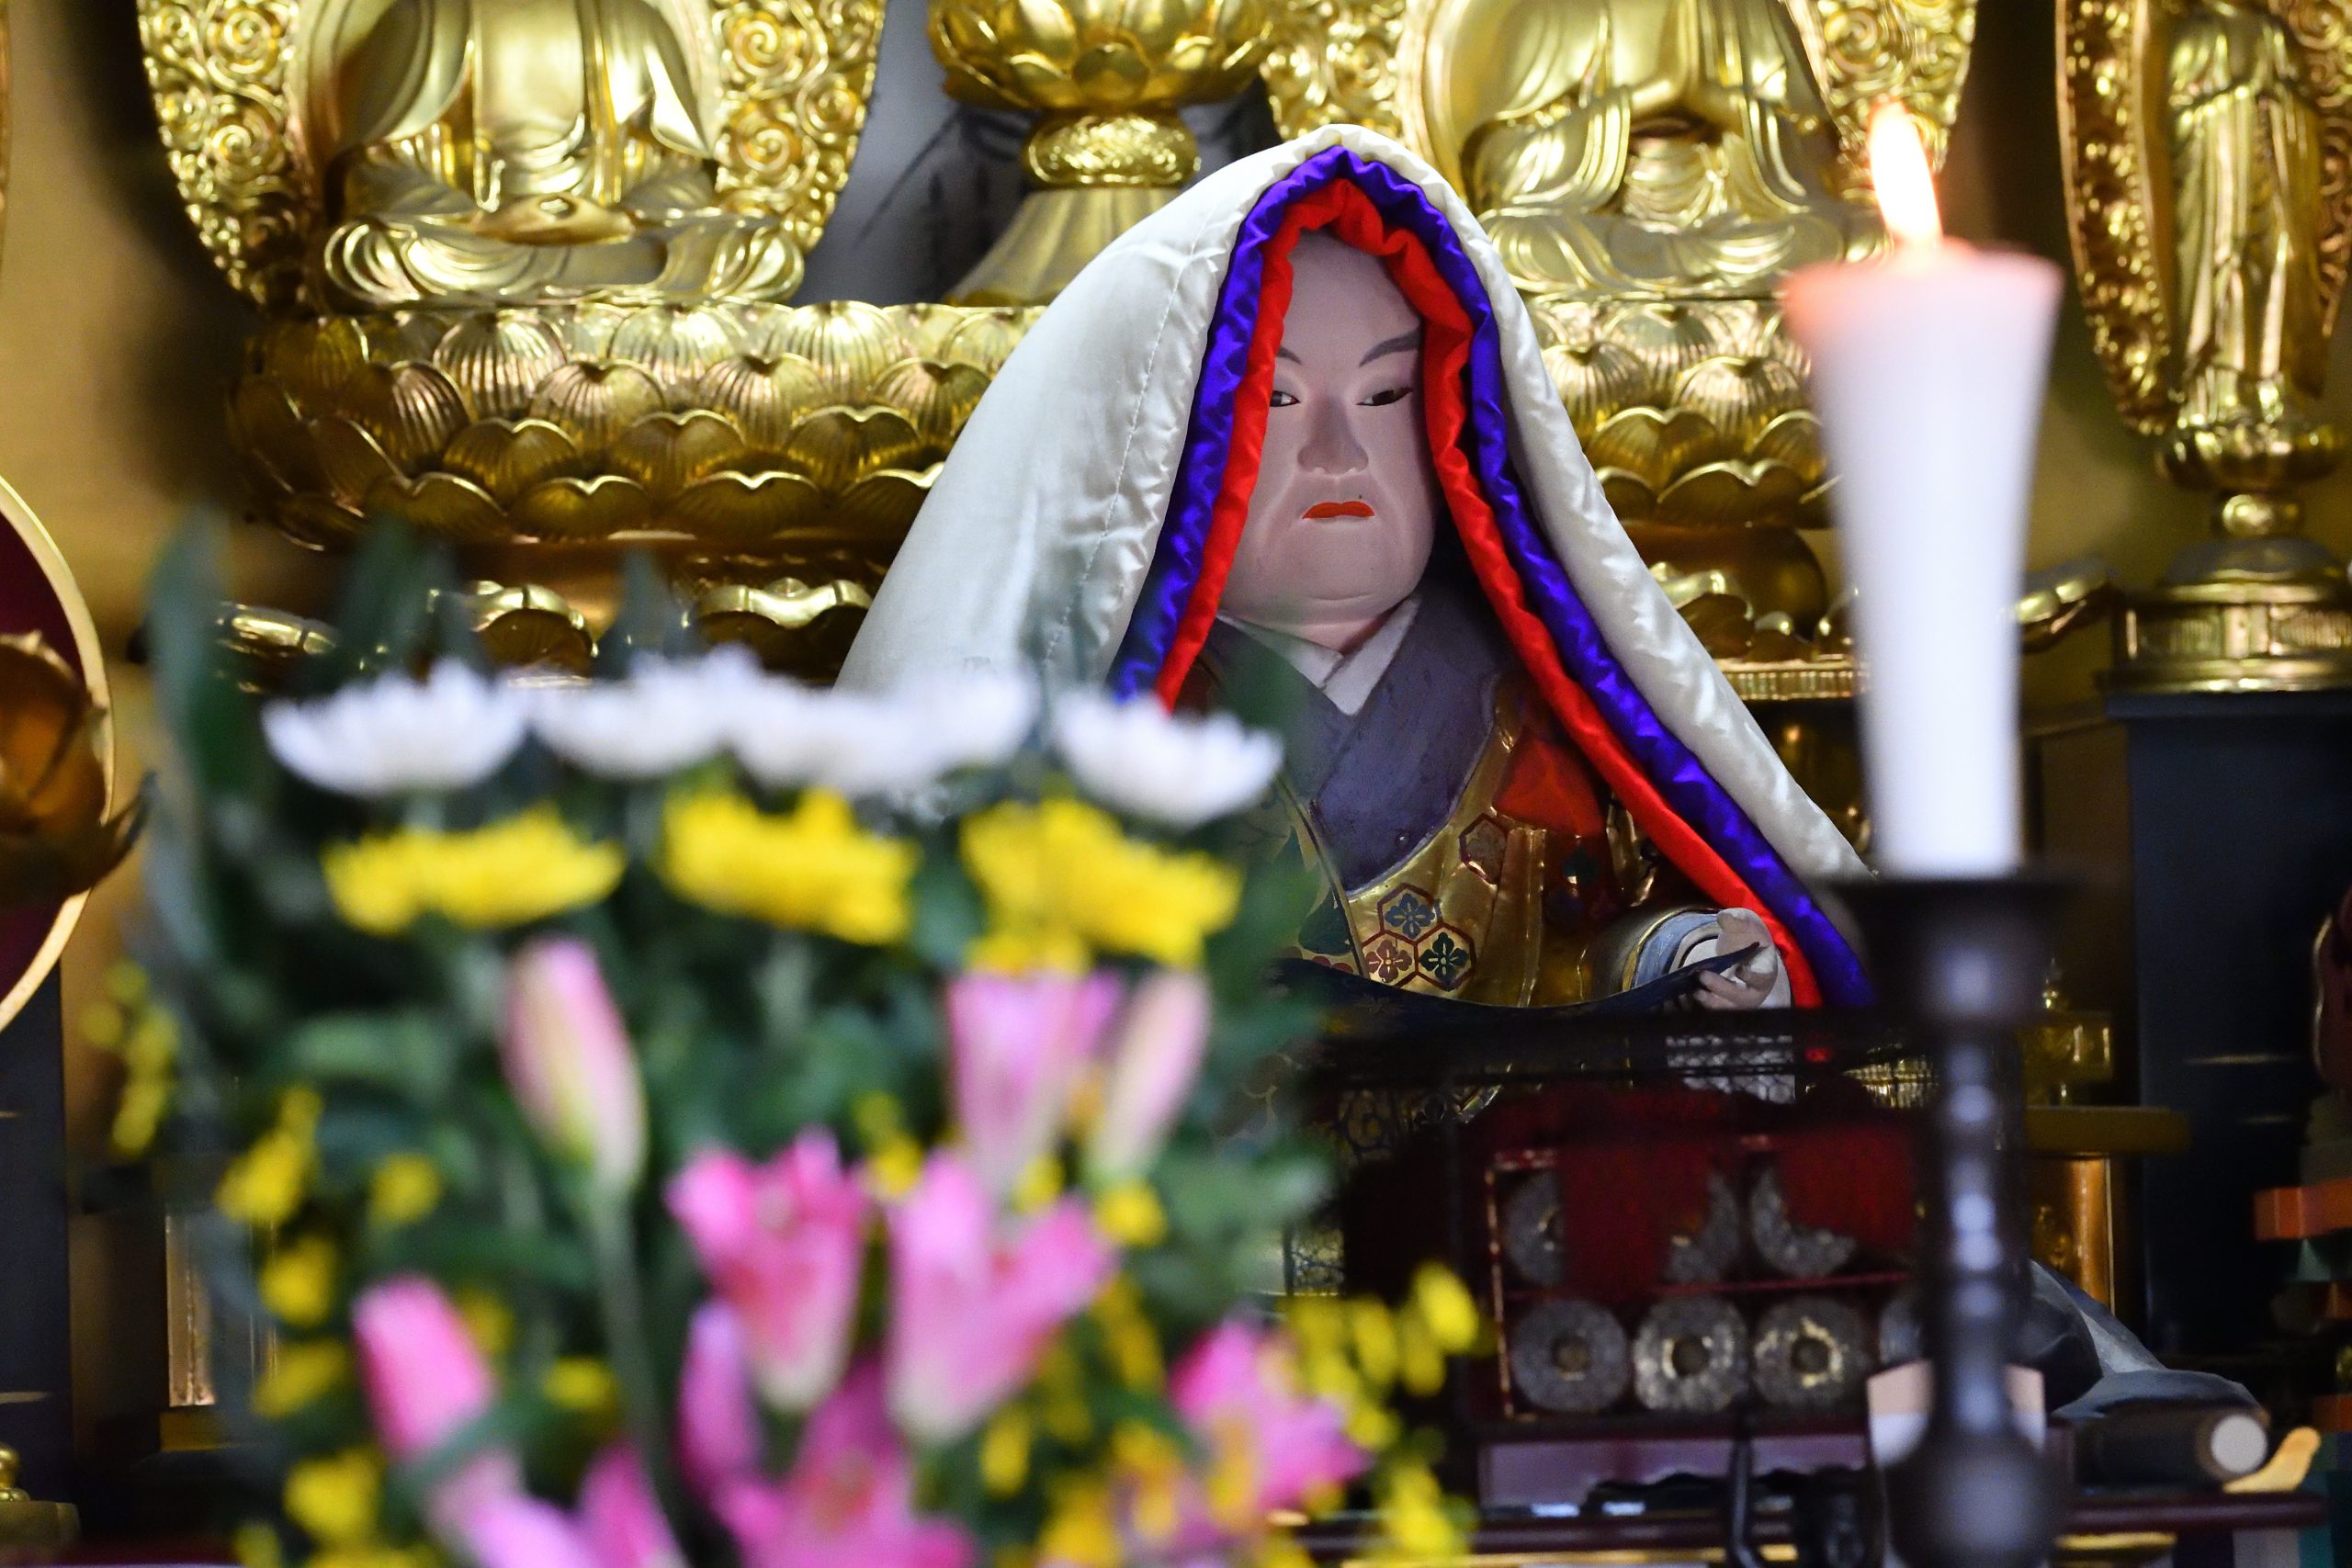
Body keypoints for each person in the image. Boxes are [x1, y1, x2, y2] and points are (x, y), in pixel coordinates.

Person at [842, 125, 1870, 1010]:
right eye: (1278, 401)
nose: (1338, 454)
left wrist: (1676, 959)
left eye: (1383, 398)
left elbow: (1585, 940)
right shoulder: (1115, 723)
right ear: (1169, 445)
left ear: (1454, 426)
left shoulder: (1547, 702)